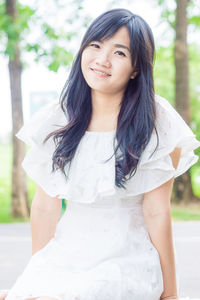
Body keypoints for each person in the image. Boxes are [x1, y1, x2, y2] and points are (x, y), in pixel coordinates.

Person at [1, 7, 200, 300]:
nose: (102, 60)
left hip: (125, 257)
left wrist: (170, 294)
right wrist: (37, 275)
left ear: (136, 68)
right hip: (66, 254)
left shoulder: (158, 121)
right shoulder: (58, 118)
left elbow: (157, 210)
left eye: (119, 53)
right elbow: (45, 208)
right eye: (95, 45)